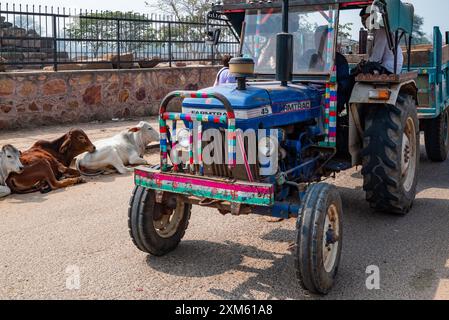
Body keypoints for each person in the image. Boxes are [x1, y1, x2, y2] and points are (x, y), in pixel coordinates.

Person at [359, 6, 403, 75]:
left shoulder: (380, 30)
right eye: (362, 19)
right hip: (385, 65)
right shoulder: (373, 31)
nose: (364, 22)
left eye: (366, 18)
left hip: (390, 67)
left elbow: (377, 56)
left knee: (358, 72)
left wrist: (365, 65)